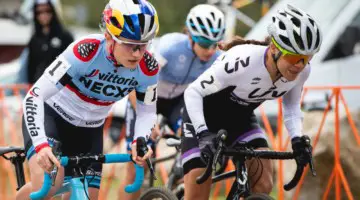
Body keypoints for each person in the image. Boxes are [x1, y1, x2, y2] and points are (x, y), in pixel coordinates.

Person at [15, 0, 160, 199]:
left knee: (87, 196)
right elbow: (34, 96)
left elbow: (147, 111)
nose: (137, 53)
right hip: (52, 118)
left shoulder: (148, 68)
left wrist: (140, 139)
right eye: (129, 44)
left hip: (90, 130)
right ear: (109, 36)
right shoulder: (85, 52)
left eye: (143, 45)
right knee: (50, 186)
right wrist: (40, 144)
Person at [181, 4, 321, 200]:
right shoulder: (242, 61)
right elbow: (193, 92)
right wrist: (203, 133)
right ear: (274, 48)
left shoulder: (301, 72)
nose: (299, 65)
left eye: (305, 59)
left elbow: (290, 106)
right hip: (202, 117)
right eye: (293, 57)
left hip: (240, 119)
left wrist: (297, 139)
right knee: (198, 193)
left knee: (264, 183)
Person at [118, 4, 226, 199]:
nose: (210, 50)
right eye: (204, 43)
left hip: (178, 101)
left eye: (215, 44)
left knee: (193, 146)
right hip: (148, 97)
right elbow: (136, 83)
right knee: (135, 167)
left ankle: (177, 181)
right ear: (190, 36)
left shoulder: (218, 58)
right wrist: (147, 120)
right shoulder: (170, 47)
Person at [19, 0, 74, 84]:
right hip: (38, 88)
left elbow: (72, 65)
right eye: (39, 12)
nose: (43, 15)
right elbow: (30, 68)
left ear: (53, 11)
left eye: (47, 11)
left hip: (60, 88)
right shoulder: (34, 39)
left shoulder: (65, 37)